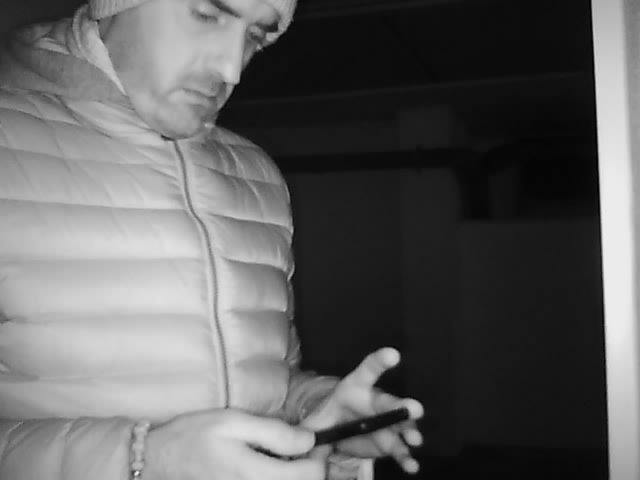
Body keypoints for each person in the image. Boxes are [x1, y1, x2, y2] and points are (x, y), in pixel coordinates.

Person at [0, 0, 424, 479]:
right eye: (208, 14)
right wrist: (140, 461)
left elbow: (268, 378)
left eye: (256, 36)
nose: (231, 68)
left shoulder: (257, 175)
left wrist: (314, 412)